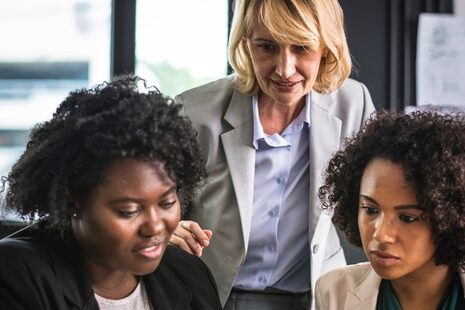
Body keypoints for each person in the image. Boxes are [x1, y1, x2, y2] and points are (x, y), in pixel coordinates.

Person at [171, 0, 376, 308]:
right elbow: (154, 210)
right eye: (266, 46)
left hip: (312, 298)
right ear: (245, 43)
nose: (284, 69)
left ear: (326, 47)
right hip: (209, 295)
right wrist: (166, 228)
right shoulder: (194, 111)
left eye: (302, 47)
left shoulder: (353, 103)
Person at [0, 75, 222, 309]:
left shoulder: (189, 274)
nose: (155, 227)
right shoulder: (15, 275)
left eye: (166, 203)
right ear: (73, 202)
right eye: (129, 211)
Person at [315, 111, 465, 309]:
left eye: (407, 218)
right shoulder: (334, 293)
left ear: (451, 218)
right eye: (370, 210)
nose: (381, 234)